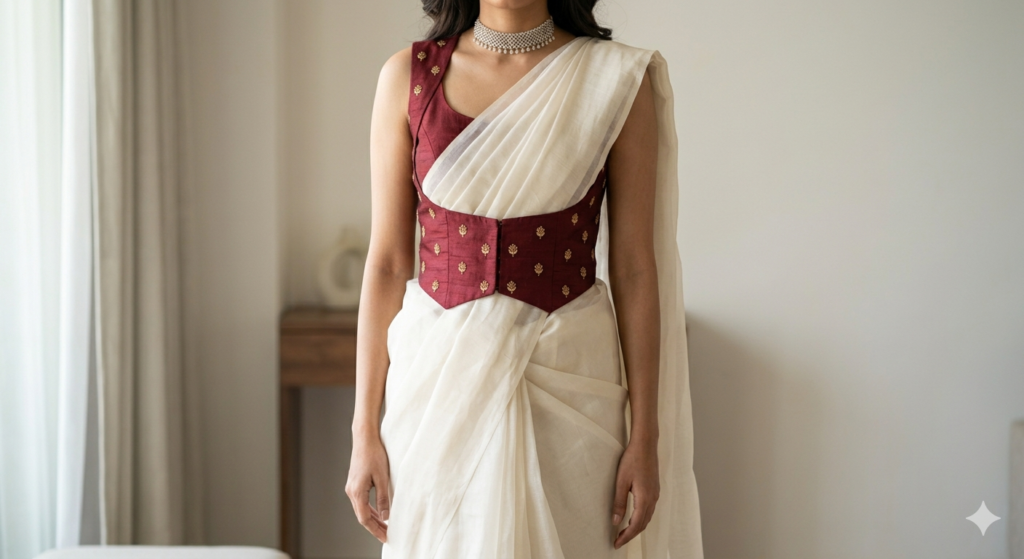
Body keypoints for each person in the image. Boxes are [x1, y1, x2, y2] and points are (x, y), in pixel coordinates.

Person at [346, 1, 702, 557]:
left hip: (569, 381)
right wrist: (363, 430)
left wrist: (646, 437)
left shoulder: (615, 79)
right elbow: (390, 262)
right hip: (438, 387)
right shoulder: (407, 77)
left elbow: (634, 267)